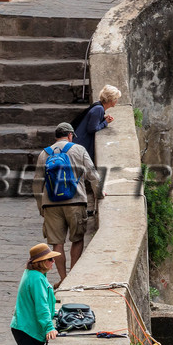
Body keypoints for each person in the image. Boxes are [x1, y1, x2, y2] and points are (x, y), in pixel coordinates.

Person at [34, 119, 101, 279]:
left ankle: (63, 278)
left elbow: (37, 183)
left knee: (57, 243)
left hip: (51, 204)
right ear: (70, 135)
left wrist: (41, 206)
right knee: (77, 239)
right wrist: (99, 193)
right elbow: (92, 175)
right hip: (75, 201)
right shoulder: (79, 150)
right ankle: (74, 277)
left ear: (57, 136)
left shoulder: (45, 153)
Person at [72, 84, 120, 162]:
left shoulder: (98, 106)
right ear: (111, 100)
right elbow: (92, 129)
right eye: (116, 99)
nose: (117, 101)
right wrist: (106, 122)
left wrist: (103, 118)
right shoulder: (99, 109)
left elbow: (92, 119)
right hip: (81, 144)